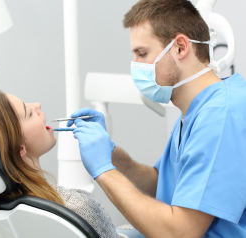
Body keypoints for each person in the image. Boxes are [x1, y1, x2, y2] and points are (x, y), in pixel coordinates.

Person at [67, 0, 246, 237]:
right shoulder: (195, 110)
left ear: (180, 47)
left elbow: (180, 232)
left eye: (142, 53)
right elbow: (161, 183)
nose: (135, 66)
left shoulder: (221, 115)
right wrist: (110, 152)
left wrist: (104, 171)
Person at [0, 90, 124, 238]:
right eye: (29, 113)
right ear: (19, 148)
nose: (38, 105)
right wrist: (105, 167)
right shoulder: (77, 209)